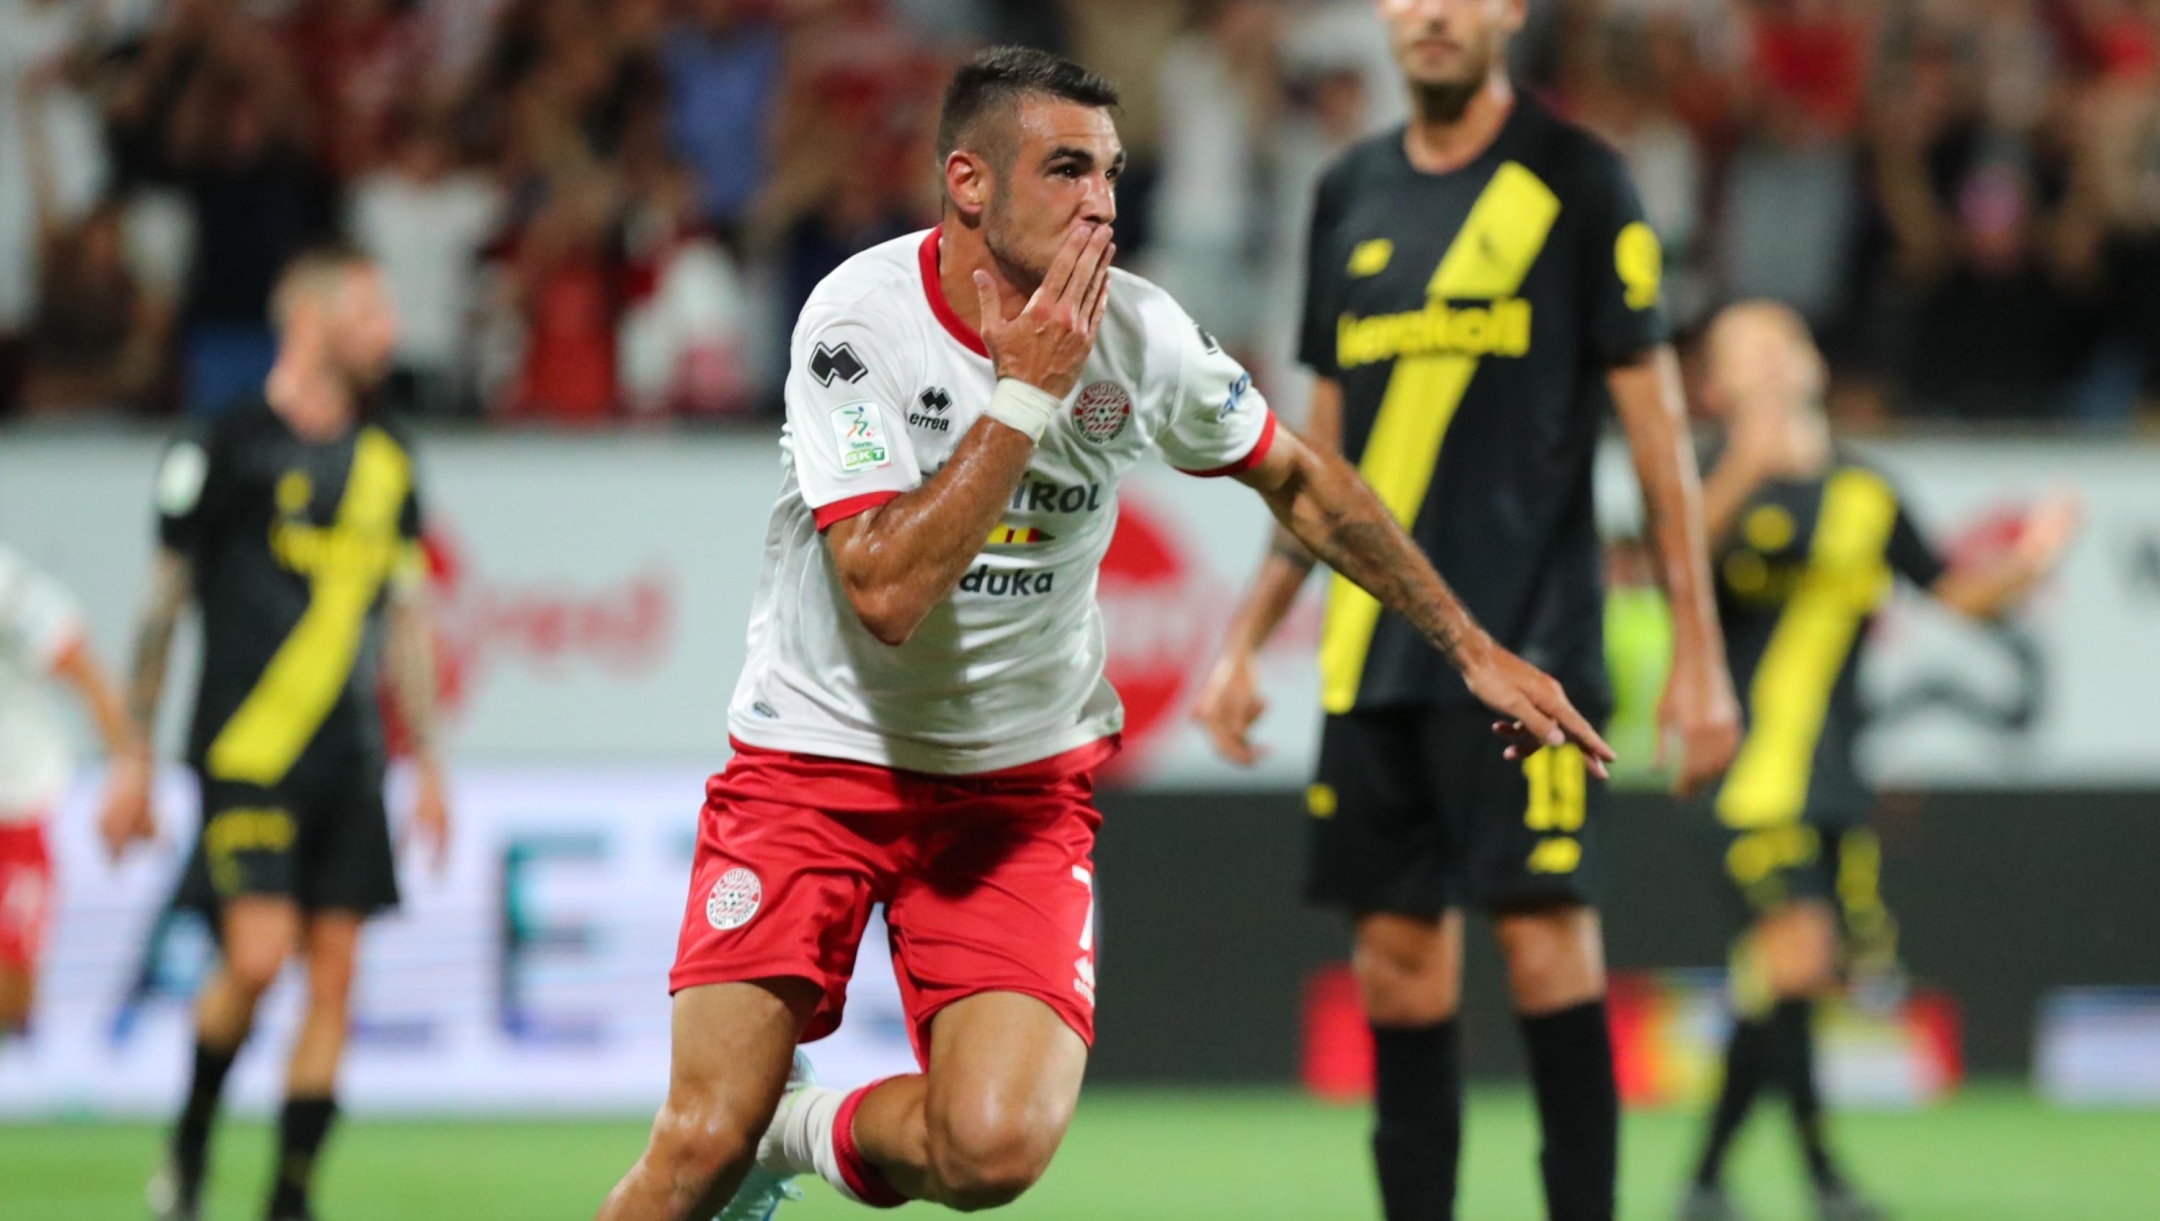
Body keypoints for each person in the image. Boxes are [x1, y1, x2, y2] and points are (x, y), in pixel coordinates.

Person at [593, 46, 1615, 1221]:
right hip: (815, 765)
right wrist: (1024, 397)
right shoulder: (857, 323)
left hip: (1013, 795)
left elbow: (1303, 479)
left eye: (1114, 174)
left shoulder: (1143, 337)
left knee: (992, 1152)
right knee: (692, 1145)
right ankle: (743, 1135)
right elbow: (882, 592)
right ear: (969, 183)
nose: (1104, 204)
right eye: (1068, 169)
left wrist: (1470, 647)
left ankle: (795, 1129)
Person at [1189, 1, 1742, 1217]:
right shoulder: (1347, 191)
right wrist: (1240, 639)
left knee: (1542, 939)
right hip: (1369, 657)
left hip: (1530, 651)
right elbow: (1318, 464)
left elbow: (1658, 444)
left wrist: (1701, 661)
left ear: (1510, 13)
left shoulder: (1579, 178)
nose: (1432, 12)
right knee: (1394, 967)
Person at [1678, 302, 2079, 1221]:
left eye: (1787, 341)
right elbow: (1677, 564)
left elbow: (1955, 592)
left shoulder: (1865, 492)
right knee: (1798, 955)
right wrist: (1749, 454)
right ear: (1716, 386)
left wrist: (2033, 558)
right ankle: (1823, 1181)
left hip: (1830, 778)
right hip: (1741, 778)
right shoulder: (1708, 477)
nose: (1774, 358)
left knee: (1788, 979)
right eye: (1749, 349)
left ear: (1815, 366)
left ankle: (1708, 1181)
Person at [112, 244, 450, 1221]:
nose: (388, 332)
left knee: (335, 979)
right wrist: (133, 752)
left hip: (348, 764)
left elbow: (405, 618)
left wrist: (426, 761)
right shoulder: (225, 443)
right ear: (309, 322)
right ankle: (188, 1141)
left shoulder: (390, 455)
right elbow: (163, 602)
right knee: (257, 958)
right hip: (246, 755)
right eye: (370, 314)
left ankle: (289, 1199)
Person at [0, 544, 154, 1035]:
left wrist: (129, 767)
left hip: (14, 808)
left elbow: (79, 665)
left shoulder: (5, 581)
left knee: (10, 992)